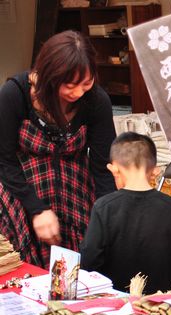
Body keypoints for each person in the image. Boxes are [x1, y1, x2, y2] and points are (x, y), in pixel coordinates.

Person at [0, 30, 116, 268]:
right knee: (25, 272)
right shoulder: (14, 95)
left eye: (86, 83)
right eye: (70, 85)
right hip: (20, 191)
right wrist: (36, 209)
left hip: (76, 194)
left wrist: (106, 215)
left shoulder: (96, 101)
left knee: (79, 270)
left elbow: (103, 166)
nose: (78, 93)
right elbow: (4, 161)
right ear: (49, 77)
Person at [80, 132, 171, 294]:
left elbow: (89, 260)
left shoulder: (104, 207)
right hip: (161, 303)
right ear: (155, 171)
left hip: (116, 303)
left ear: (114, 169)